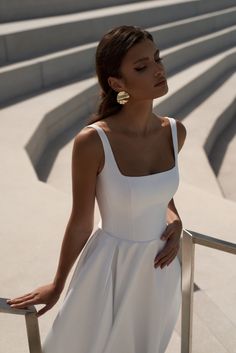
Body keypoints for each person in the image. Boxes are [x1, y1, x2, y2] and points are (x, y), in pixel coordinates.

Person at [7, 25, 186, 353]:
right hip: (109, 271)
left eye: (156, 58)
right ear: (118, 84)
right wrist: (58, 284)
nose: (158, 69)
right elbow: (80, 222)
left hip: (158, 273)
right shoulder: (93, 141)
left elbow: (161, 194)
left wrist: (174, 218)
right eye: (141, 66)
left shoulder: (175, 132)